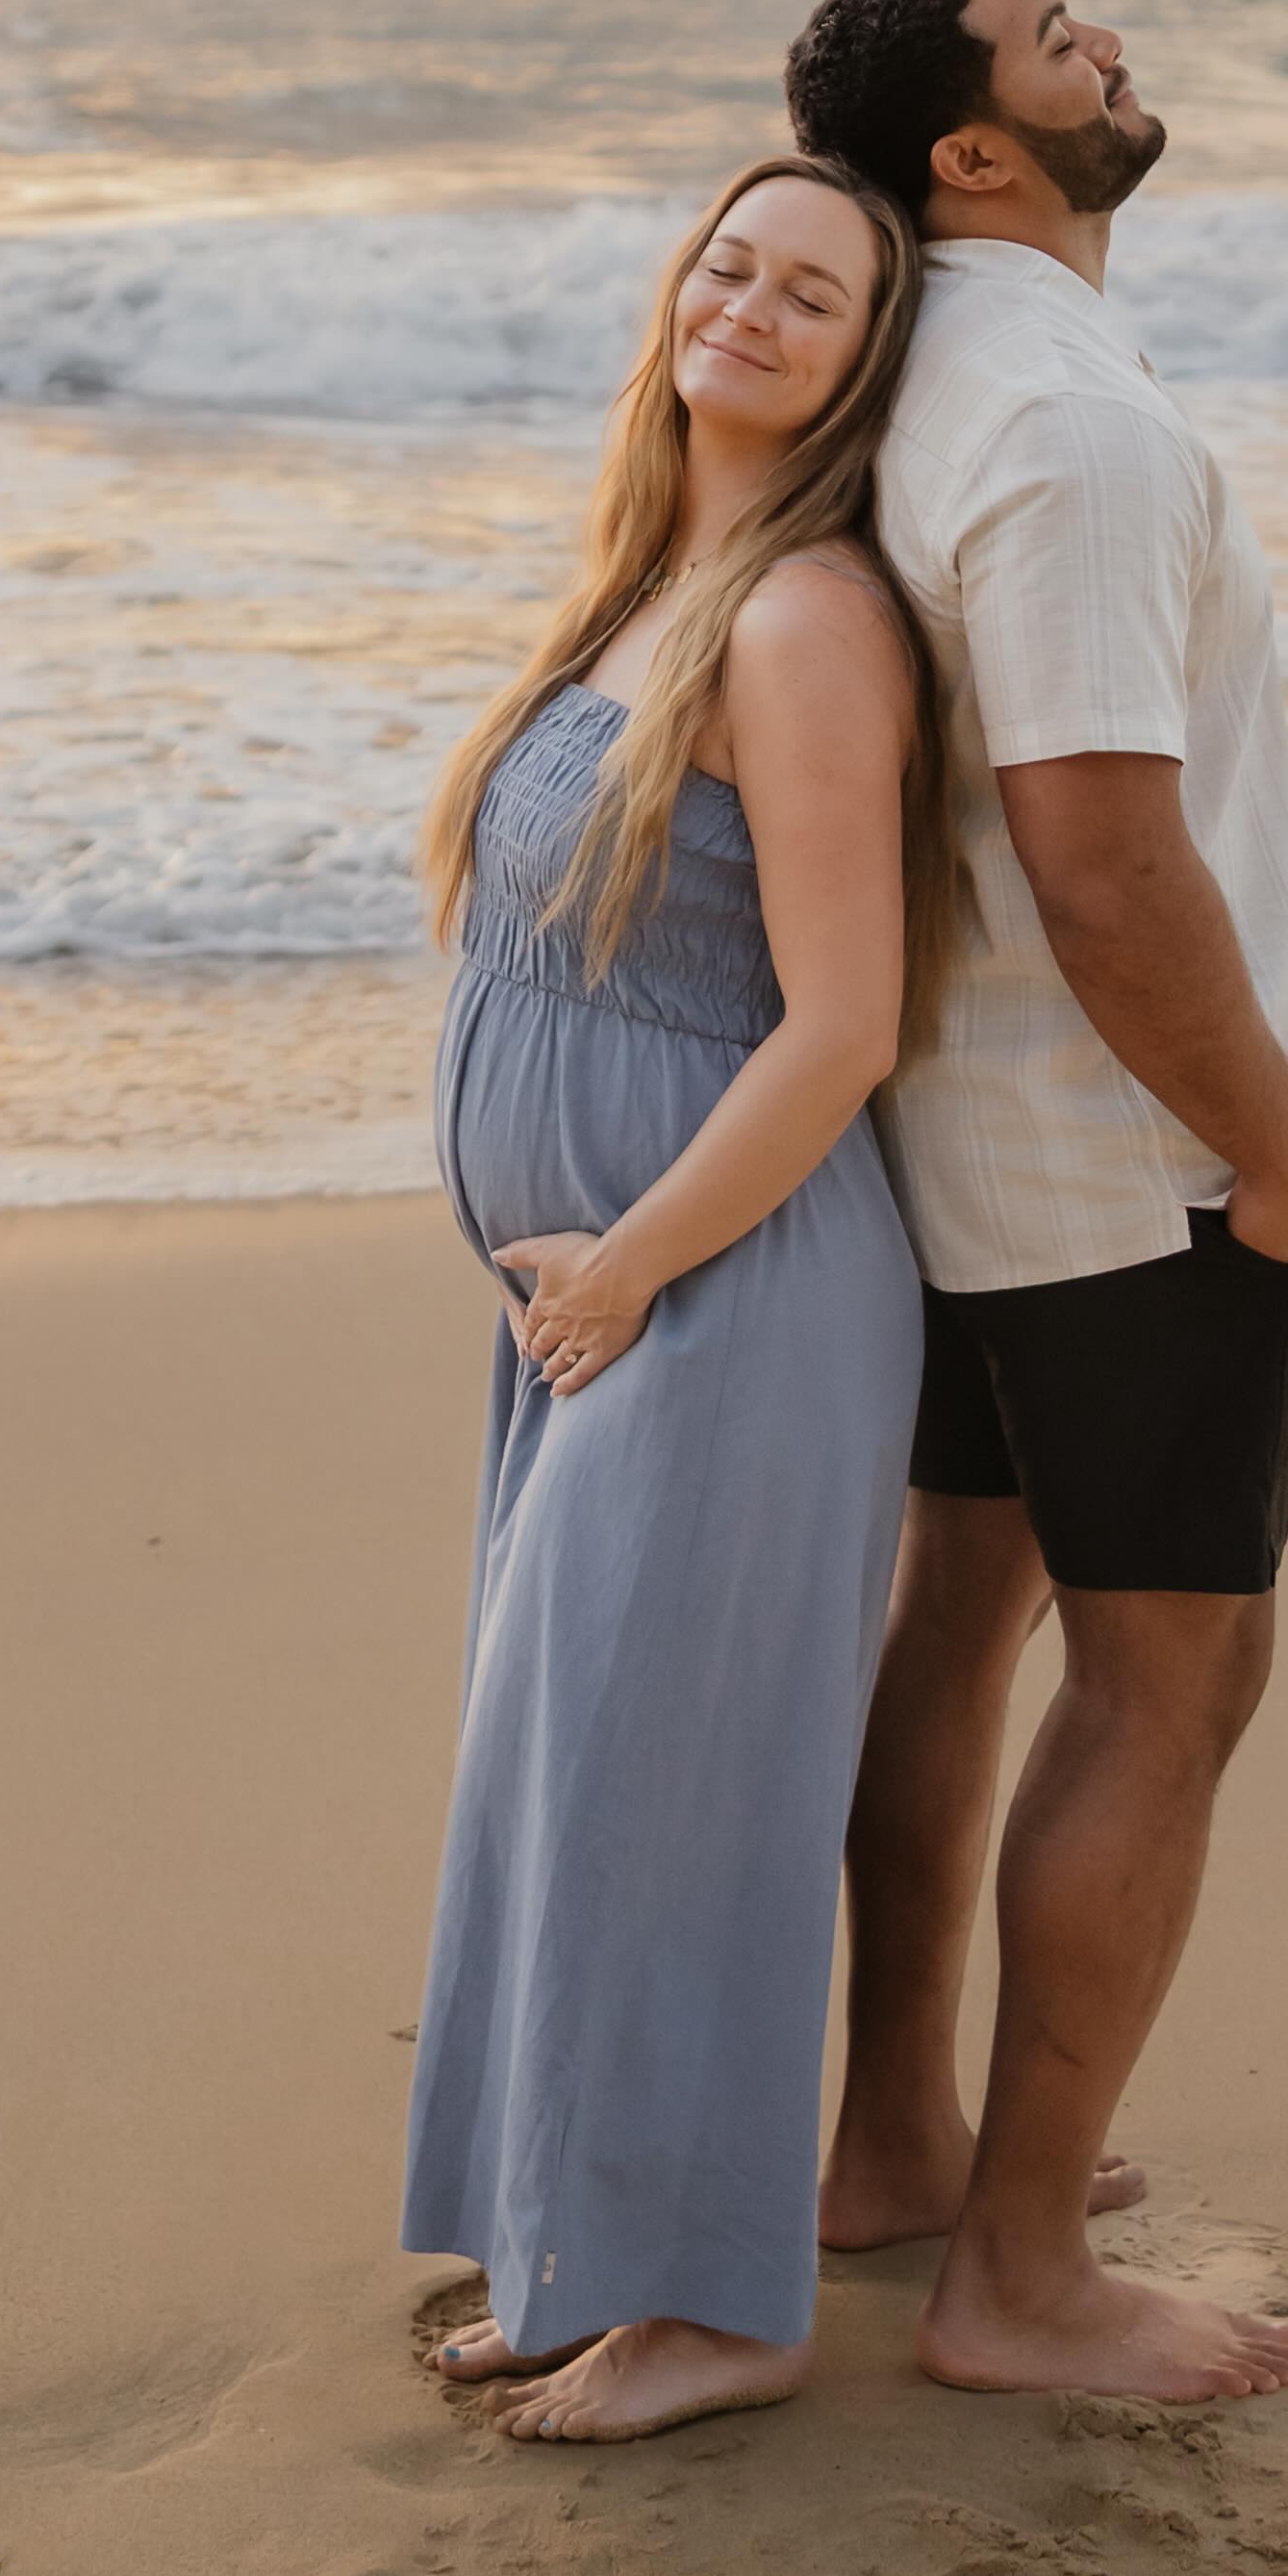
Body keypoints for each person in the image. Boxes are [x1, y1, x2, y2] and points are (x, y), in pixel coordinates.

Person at [780, 0, 1288, 2410]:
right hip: (1126, 1173)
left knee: (959, 1618)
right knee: (1168, 1683)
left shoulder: (919, 376)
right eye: (1054, 31)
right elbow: (1104, 855)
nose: (1106, 32)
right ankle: (1017, 2272)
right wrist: (1280, 1149)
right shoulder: (1065, 425)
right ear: (974, 147)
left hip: (959, 1140)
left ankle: (897, 2145)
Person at [399, 152, 953, 2443]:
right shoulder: (647, 583)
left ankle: (722, 2305)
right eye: (729, 261)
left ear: (863, 360)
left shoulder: (802, 620)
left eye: (814, 291)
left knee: (668, 1803)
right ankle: (580, 2250)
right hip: (615, 1306)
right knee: (578, 1776)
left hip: (722, 1295)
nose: (753, 303)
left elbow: (845, 1022)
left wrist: (624, 1263)